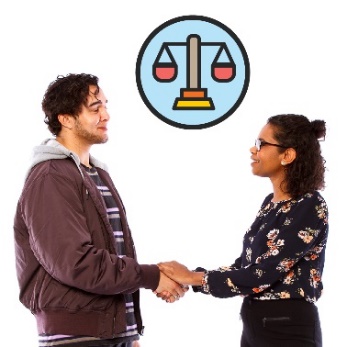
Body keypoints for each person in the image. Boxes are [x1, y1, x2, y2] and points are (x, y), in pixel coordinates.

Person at [13, 73, 187, 347]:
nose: (106, 115)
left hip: (110, 333)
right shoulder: (51, 176)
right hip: (76, 337)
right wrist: (152, 277)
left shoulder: (95, 174)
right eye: (95, 108)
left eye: (105, 106)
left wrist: (127, 333)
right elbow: (75, 262)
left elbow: (111, 252)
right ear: (66, 118)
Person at [158, 114, 329, 347]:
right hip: (256, 325)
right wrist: (194, 277)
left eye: (261, 144)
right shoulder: (271, 204)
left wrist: (193, 278)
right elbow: (246, 267)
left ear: (287, 155)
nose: (253, 150)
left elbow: (264, 273)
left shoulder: (309, 205)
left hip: (287, 329)